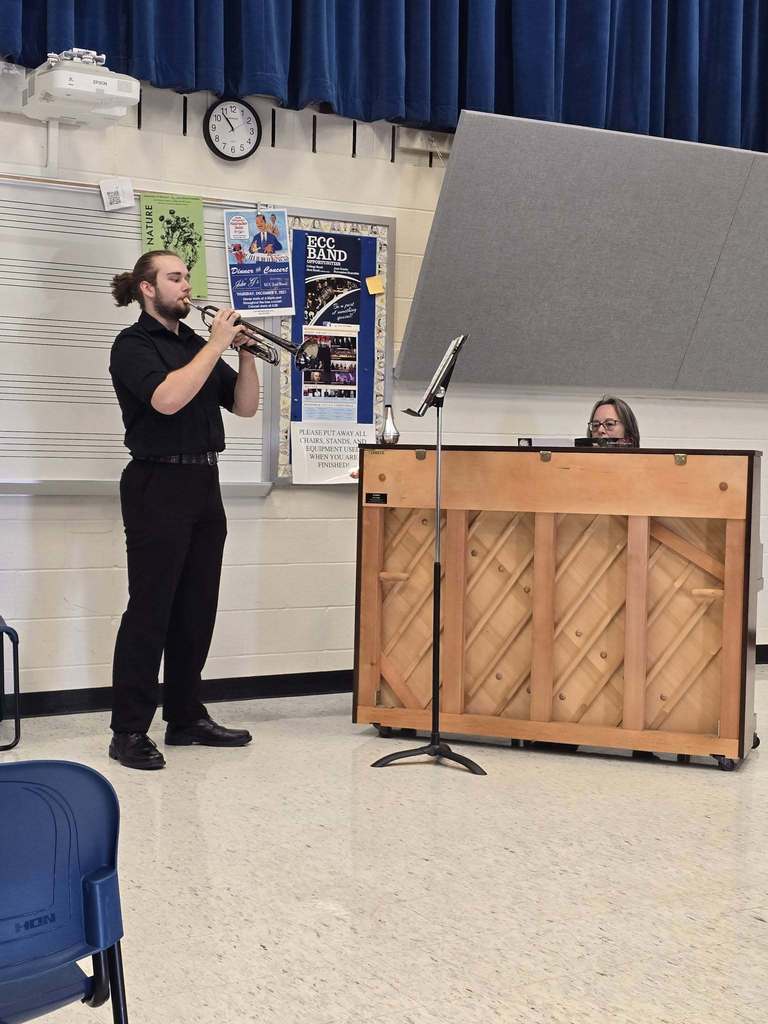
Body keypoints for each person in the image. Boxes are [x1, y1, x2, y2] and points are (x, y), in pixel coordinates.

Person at [107, 250, 261, 770]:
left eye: (186, 277)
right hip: (156, 481)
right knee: (150, 610)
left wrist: (244, 354)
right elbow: (167, 400)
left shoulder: (195, 344)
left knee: (197, 606)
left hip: (202, 481)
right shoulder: (132, 345)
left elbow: (243, 407)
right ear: (147, 289)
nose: (185, 286)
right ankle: (128, 730)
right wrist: (217, 342)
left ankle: (185, 717)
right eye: (174, 277)